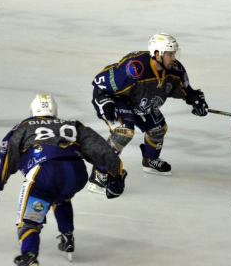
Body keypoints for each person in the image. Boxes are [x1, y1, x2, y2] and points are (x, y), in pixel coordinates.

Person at [0, 93, 127, 266]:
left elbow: (6, 156)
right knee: (60, 196)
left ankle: (28, 256)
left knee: (29, 221)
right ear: (54, 112)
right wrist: (116, 174)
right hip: (76, 174)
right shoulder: (73, 125)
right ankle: (67, 237)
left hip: (45, 172)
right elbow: (101, 149)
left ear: (33, 111)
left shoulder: (22, 127)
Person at [87, 33, 208, 193]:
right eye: (170, 54)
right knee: (123, 132)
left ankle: (150, 159)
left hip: (140, 101)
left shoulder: (175, 69)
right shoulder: (135, 68)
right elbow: (100, 84)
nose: (173, 58)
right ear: (157, 54)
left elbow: (186, 90)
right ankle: (99, 175)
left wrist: (196, 99)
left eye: (174, 53)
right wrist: (107, 103)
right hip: (115, 100)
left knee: (158, 129)